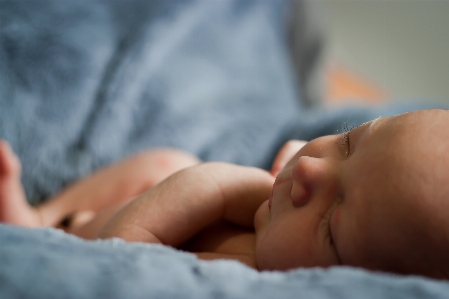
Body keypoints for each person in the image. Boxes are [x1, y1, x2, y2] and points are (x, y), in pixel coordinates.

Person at [2, 109, 449, 280]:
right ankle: (39, 217)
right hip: (89, 228)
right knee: (169, 164)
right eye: (349, 142)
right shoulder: (258, 200)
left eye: (332, 220)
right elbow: (203, 183)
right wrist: (118, 254)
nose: (313, 169)